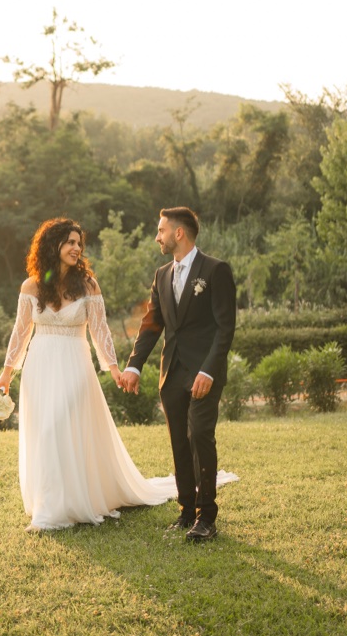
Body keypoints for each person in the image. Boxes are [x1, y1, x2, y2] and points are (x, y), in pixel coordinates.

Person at [0, 217, 176, 531]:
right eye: (70, 242)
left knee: (58, 426)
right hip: (40, 364)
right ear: (53, 245)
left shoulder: (88, 285)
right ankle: (52, 504)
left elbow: (100, 330)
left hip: (75, 362)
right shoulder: (32, 286)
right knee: (45, 432)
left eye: (79, 243)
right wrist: (6, 372)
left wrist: (114, 368)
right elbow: (21, 332)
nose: (76, 248)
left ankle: (65, 504)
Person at [119, 207, 237, 541]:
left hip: (203, 373)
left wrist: (208, 371)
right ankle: (186, 511)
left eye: (161, 231)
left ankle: (206, 517)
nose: (157, 237)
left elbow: (225, 328)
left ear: (179, 233)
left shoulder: (215, 270)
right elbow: (151, 324)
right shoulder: (161, 275)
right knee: (178, 442)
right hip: (171, 372)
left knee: (199, 435)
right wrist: (134, 365)